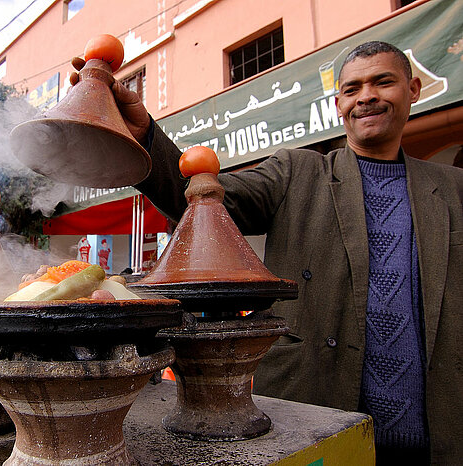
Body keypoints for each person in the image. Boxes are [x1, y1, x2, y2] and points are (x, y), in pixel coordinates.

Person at [70, 41, 462, 464]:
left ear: (414, 89)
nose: (366, 96)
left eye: (382, 82)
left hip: (440, 431)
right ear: (337, 105)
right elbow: (203, 198)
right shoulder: (298, 171)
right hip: (319, 417)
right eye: (352, 89)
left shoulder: (454, 189)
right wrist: (145, 134)